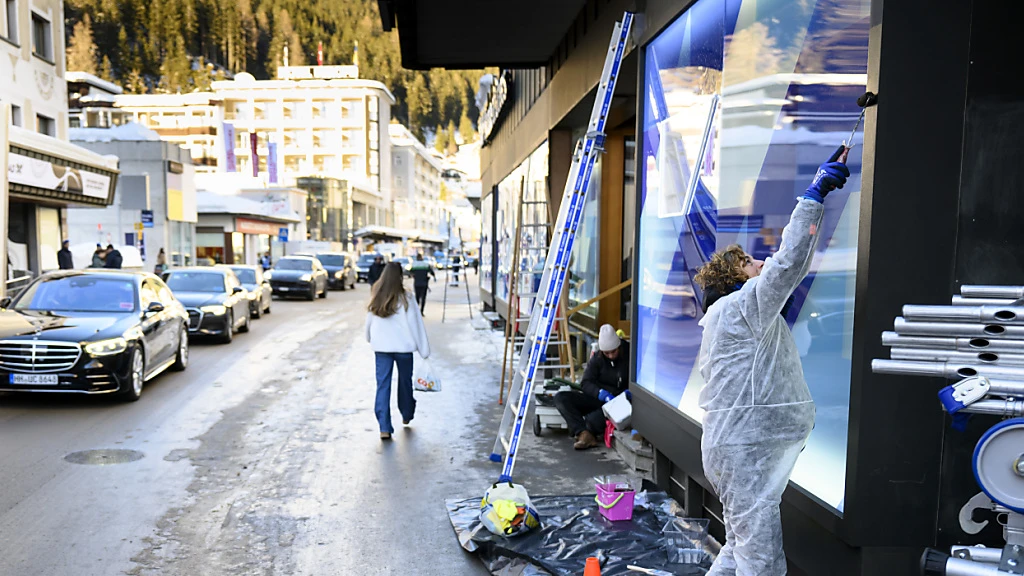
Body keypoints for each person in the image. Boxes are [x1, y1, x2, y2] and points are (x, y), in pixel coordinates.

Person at [693, 147, 849, 576]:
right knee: (761, 563)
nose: (759, 263)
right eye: (749, 262)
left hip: (738, 452)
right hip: (746, 454)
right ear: (735, 278)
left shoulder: (726, 318)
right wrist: (814, 196)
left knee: (739, 548)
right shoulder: (742, 307)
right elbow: (788, 263)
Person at [364, 263, 430, 440]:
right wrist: (424, 350)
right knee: (405, 383)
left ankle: (384, 427)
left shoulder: (376, 295)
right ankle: (407, 413)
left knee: (383, 385)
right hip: (403, 348)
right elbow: (416, 324)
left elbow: (369, 320)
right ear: (400, 276)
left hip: (382, 349)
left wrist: (369, 338)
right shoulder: (406, 297)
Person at [553, 324, 630, 450]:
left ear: (619, 347)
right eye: (607, 353)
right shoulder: (598, 358)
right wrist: (599, 393)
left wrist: (629, 393)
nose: (610, 355)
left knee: (592, 421)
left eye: (613, 352)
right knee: (561, 398)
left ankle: (586, 431)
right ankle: (583, 433)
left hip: (619, 401)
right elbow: (586, 382)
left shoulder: (629, 354)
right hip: (600, 398)